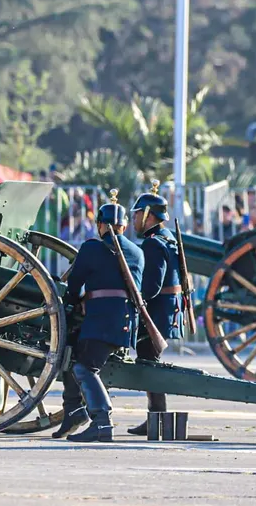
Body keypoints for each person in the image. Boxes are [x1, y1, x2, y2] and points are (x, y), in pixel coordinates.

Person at [53, 189, 144, 443]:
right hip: (125, 323)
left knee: (84, 368)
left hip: (100, 321)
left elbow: (74, 285)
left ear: (101, 225)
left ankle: (102, 422)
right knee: (76, 360)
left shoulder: (92, 248)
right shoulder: (138, 253)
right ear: (124, 227)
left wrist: (71, 303)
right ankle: (74, 411)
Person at [125, 180, 185, 436]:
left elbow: (151, 286)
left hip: (157, 311)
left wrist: (133, 299)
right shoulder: (166, 236)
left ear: (148, 215)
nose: (135, 219)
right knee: (150, 361)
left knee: (149, 361)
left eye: (138, 214)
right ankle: (155, 418)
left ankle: (156, 419)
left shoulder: (152, 243)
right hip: (167, 310)